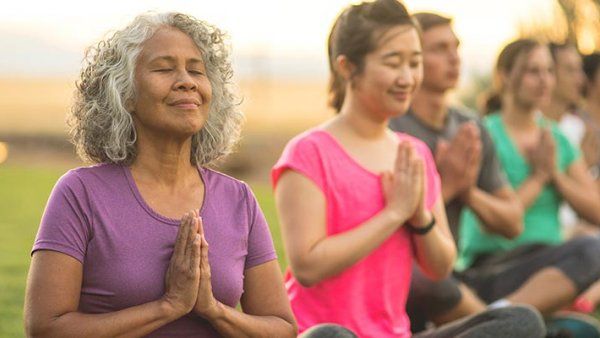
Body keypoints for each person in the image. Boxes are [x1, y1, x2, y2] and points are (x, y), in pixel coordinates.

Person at [272, 1, 545, 337]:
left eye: (414, 63)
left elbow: (441, 265)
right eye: (393, 63)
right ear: (347, 67)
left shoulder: (412, 153)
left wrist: (420, 217)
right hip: (324, 332)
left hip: (395, 332)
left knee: (520, 321)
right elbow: (307, 267)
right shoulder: (309, 152)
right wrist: (393, 213)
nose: (407, 78)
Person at [23, 12, 297, 337]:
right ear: (123, 92)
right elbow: (45, 329)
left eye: (196, 70)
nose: (187, 81)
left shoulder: (238, 200)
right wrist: (168, 307)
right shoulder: (80, 193)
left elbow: (282, 328)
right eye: (165, 68)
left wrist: (213, 310)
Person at [389, 12, 523, 332]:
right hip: (407, 278)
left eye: (456, 47)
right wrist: (445, 187)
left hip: (455, 274)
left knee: (590, 251)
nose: (454, 58)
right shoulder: (390, 128)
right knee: (426, 279)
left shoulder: (471, 127)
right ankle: (501, 325)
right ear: (413, 59)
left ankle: (495, 320)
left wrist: (469, 192)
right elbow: (388, 234)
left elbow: (512, 223)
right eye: (439, 49)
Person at [458, 38, 600, 317]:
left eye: (548, 71)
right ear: (505, 76)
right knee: (592, 251)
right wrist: (539, 177)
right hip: (496, 263)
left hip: (551, 264)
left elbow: (596, 210)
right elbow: (493, 224)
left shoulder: (556, 139)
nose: (544, 80)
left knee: (592, 249)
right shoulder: (482, 134)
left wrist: (557, 177)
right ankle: (499, 317)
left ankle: (503, 315)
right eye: (533, 71)